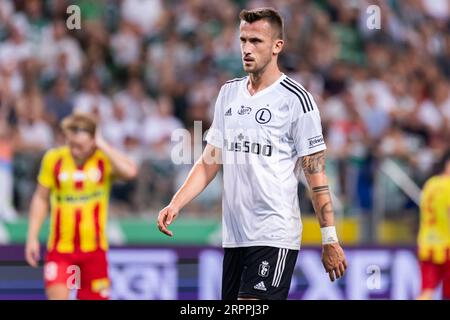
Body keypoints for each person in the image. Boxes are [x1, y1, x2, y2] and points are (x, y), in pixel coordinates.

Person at [157, 7, 347, 300]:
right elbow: (211, 160)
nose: (247, 48)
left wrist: (329, 238)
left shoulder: (297, 100)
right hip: (235, 238)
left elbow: (316, 175)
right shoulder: (228, 94)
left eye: (256, 41)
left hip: (274, 234)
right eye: (243, 40)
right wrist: (176, 203)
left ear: (277, 46)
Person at [25, 112, 138, 300]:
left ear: (93, 141)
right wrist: (32, 237)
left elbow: (130, 172)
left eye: (81, 146)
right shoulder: (54, 159)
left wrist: (102, 144)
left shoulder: (103, 159)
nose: (75, 151)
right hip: (61, 250)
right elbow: (41, 198)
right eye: (72, 144)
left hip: (94, 250)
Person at [417, 149, 450, 300]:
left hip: (427, 244)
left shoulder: (430, 184)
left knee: (427, 291)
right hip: (446, 247)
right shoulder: (448, 186)